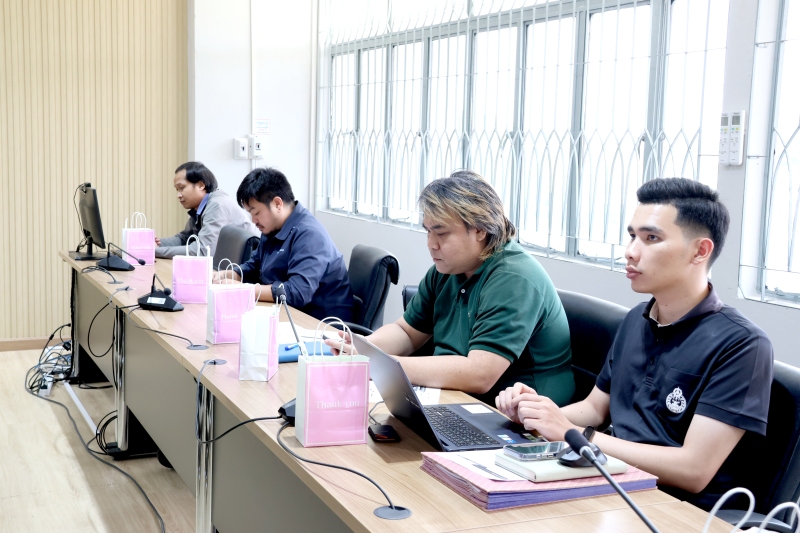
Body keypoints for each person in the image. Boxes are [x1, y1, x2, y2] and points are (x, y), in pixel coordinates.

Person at [496, 177, 773, 510]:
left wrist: (574, 434)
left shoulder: (742, 345)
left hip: (673, 508)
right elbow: (595, 409)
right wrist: (535, 416)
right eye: (632, 236)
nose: (630, 251)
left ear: (700, 251)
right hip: (610, 482)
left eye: (651, 238)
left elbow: (693, 470)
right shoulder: (636, 319)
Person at [327, 170, 574, 407]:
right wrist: (362, 348)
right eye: (428, 232)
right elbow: (407, 332)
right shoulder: (448, 270)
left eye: (442, 233)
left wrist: (382, 364)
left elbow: (479, 374)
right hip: (456, 399)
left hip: (518, 418)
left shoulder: (514, 278)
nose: (431, 244)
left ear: (480, 229)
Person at [213, 167, 354, 322]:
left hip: (320, 324)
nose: (253, 221)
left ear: (277, 204)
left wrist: (245, 290)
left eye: (256, 212)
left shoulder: (309, 234)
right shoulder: (272, 227)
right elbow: (254, 267)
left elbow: (297, 292)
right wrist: (226, 275)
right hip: (287, 314)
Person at [155, 162, 255, 258]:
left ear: (201, 185)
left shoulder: (217, 205)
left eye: (182, 188)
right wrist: (156, 244)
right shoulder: (200, 207)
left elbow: (203, 251)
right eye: (177, 189)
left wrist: (156, 251)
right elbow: (184, 239)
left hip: (240, 267)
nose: (179, 195)